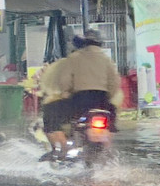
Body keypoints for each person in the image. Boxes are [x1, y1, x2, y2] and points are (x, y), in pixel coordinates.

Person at [43, 29, 121, 161]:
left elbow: (65, 81)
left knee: (50, 110)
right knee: (111, 121)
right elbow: (114, 83)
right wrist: (108, 98)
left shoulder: (74, 58)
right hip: (103, 101)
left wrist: (66, 92)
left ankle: (60, 148)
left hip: (80, 101)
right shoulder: (107, 60)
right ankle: (108, 149)